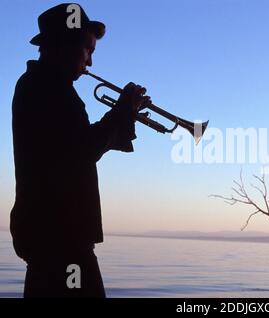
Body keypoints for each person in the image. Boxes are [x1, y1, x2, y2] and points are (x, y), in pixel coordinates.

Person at [10, 3, 149, 297]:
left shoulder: (42, 86)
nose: (90, 63)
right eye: (88, 50)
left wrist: (126, 113)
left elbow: (77, 147)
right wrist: (123, 109)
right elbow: (85, 147)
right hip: (61, 240)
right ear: (64, 45)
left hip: (54, 237)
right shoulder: (45, 88)